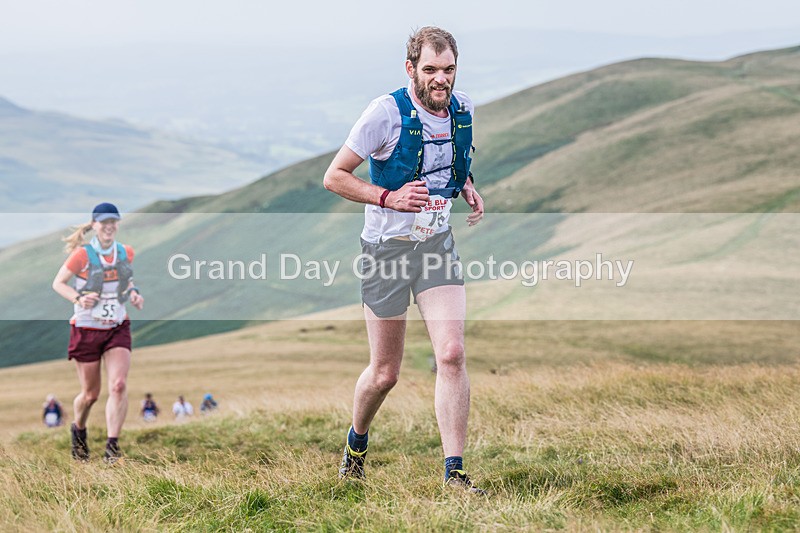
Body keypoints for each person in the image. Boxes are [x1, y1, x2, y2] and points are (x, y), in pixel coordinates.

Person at [323, 27, 485, 493]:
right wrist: (387, 197)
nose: (441, 79)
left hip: (435, 246)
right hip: (386, 252)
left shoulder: (463, 109)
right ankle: (356, 443)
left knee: (451, 354)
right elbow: (334, 176)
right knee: (385, 374)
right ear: (410, 68)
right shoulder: (385, 113)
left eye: (448, 69)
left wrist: (465, 185)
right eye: (430, 69)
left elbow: (448, 161)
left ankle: (454, 474)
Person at [52, 202, 144, 463]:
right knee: (90, 395)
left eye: (113, 221)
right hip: (86, 329)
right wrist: (79, 298)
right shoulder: (81, 255)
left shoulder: (125, 252)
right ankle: (79, 430)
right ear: (94, 225)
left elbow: (126, 282)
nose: (109, 226)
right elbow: (58, 283)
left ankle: (112, 448)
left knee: (119, 385)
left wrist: (133, 294)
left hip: (117, 327)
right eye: (104, 222)